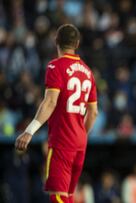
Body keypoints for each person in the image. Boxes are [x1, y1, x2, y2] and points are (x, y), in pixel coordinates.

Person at [14, 24, 98, 203]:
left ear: (56, 41)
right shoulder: (88, 73)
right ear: (77, 43)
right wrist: (81, 135)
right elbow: (93, 113)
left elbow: (50, 101)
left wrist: (29, 130)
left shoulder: (55, 66)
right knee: (67, 196)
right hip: (80, 144)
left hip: (62, 141)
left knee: (58, 197)